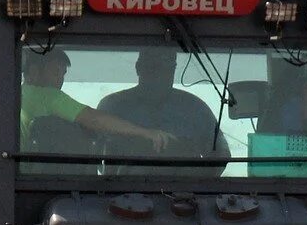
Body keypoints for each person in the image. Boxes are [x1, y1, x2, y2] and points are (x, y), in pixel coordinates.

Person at [20, 48, 174, 153]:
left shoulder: (14, 96)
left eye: (63, 74)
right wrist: (145, 133)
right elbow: (94, 120)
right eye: (55, 72)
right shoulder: (49, 96)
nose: (61, 80)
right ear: (33, 72)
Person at [96, 48, 230, 168]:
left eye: (167, 68)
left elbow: (221, 154)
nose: (159, 74)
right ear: (139, 67)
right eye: (153, 67)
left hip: (186, 192)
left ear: (174, 69)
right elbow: (92, 157)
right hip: (116, 191)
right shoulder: (111, 107)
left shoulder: (196, 109)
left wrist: (201, 184)